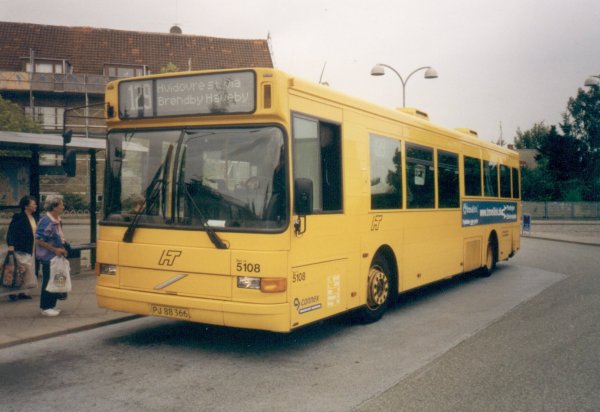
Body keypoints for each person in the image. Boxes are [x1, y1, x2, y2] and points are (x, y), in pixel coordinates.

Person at [35, 195, 68, 317]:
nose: (63, 206)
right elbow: (39, 240)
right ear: (54, 207)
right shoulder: (46, 221)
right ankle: (45, 307)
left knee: (55, 280)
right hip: (48, 256)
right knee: (48, 281)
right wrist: (55, 250)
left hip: (56, 256)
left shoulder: (57, 220)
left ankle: (52, 305)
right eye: (61, 204)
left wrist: (63, 248)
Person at [6, 195, 38, 301]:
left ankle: (23, 291)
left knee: (28, 270)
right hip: (21, 248)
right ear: (26, 206)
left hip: (31, 248)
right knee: (19, 270)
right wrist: (10, 244)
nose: (35, 205)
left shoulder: (33, 217)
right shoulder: (18, 217)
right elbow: (11, 231)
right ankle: (13, 292)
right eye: (33, 203)